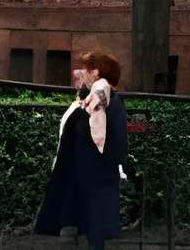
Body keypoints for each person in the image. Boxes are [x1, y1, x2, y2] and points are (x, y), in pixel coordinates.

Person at [33, 48, 124, 250]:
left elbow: (108, 140)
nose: (79, 72)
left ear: (96, 72)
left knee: (92, 231)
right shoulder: (88, 99)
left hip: (93, 178)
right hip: (80, 177)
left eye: (85, 69)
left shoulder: (103, 94)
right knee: (78, 229)